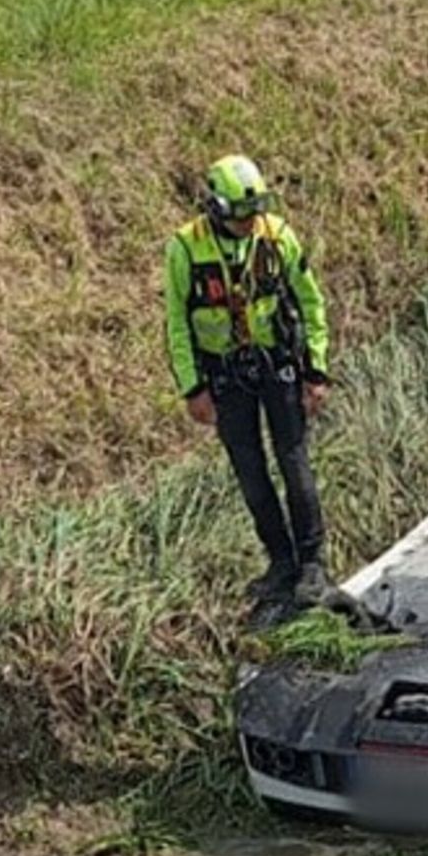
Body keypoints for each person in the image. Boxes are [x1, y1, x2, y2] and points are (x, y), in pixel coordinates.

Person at [163, 154, 336, 627]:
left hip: (277, 364)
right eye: (241, 214)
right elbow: (177, 323)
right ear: (216, 209)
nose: (250, 222)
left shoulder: (276, 236)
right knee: (250, 473)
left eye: (254, 211)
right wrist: (192, 388)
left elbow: (311, 301)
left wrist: (315, 370)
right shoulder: (186, 248)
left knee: (294, 460)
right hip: (225, 375)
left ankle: (313, 563)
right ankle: (280, 562)